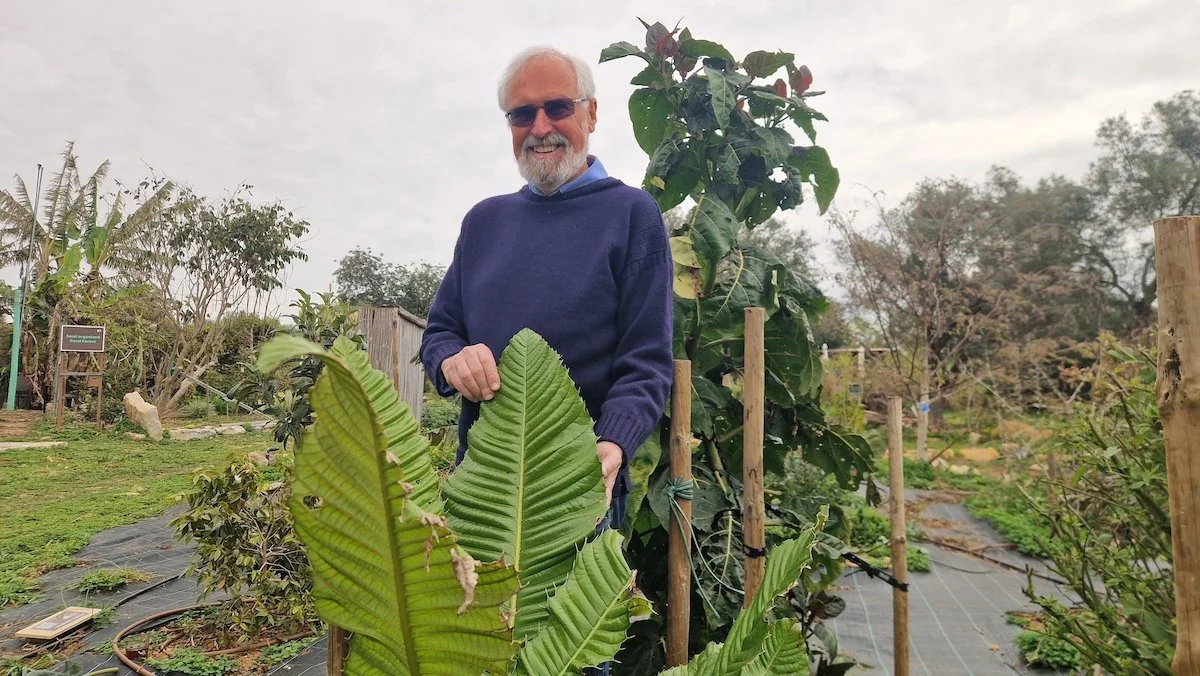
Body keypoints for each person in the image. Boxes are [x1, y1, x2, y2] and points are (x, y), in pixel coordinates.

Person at [419, 46, 673, 532]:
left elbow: (647, 362)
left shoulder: (631, 216)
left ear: (591, 113)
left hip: (579, 491)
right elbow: (440, 333)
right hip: (482, 490)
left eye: (558, 107)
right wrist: (452, 360)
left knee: (575, 612)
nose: (539, 128)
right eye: (521, 114)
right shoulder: (484, 221)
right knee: (477, 609)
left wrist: (614, 442)